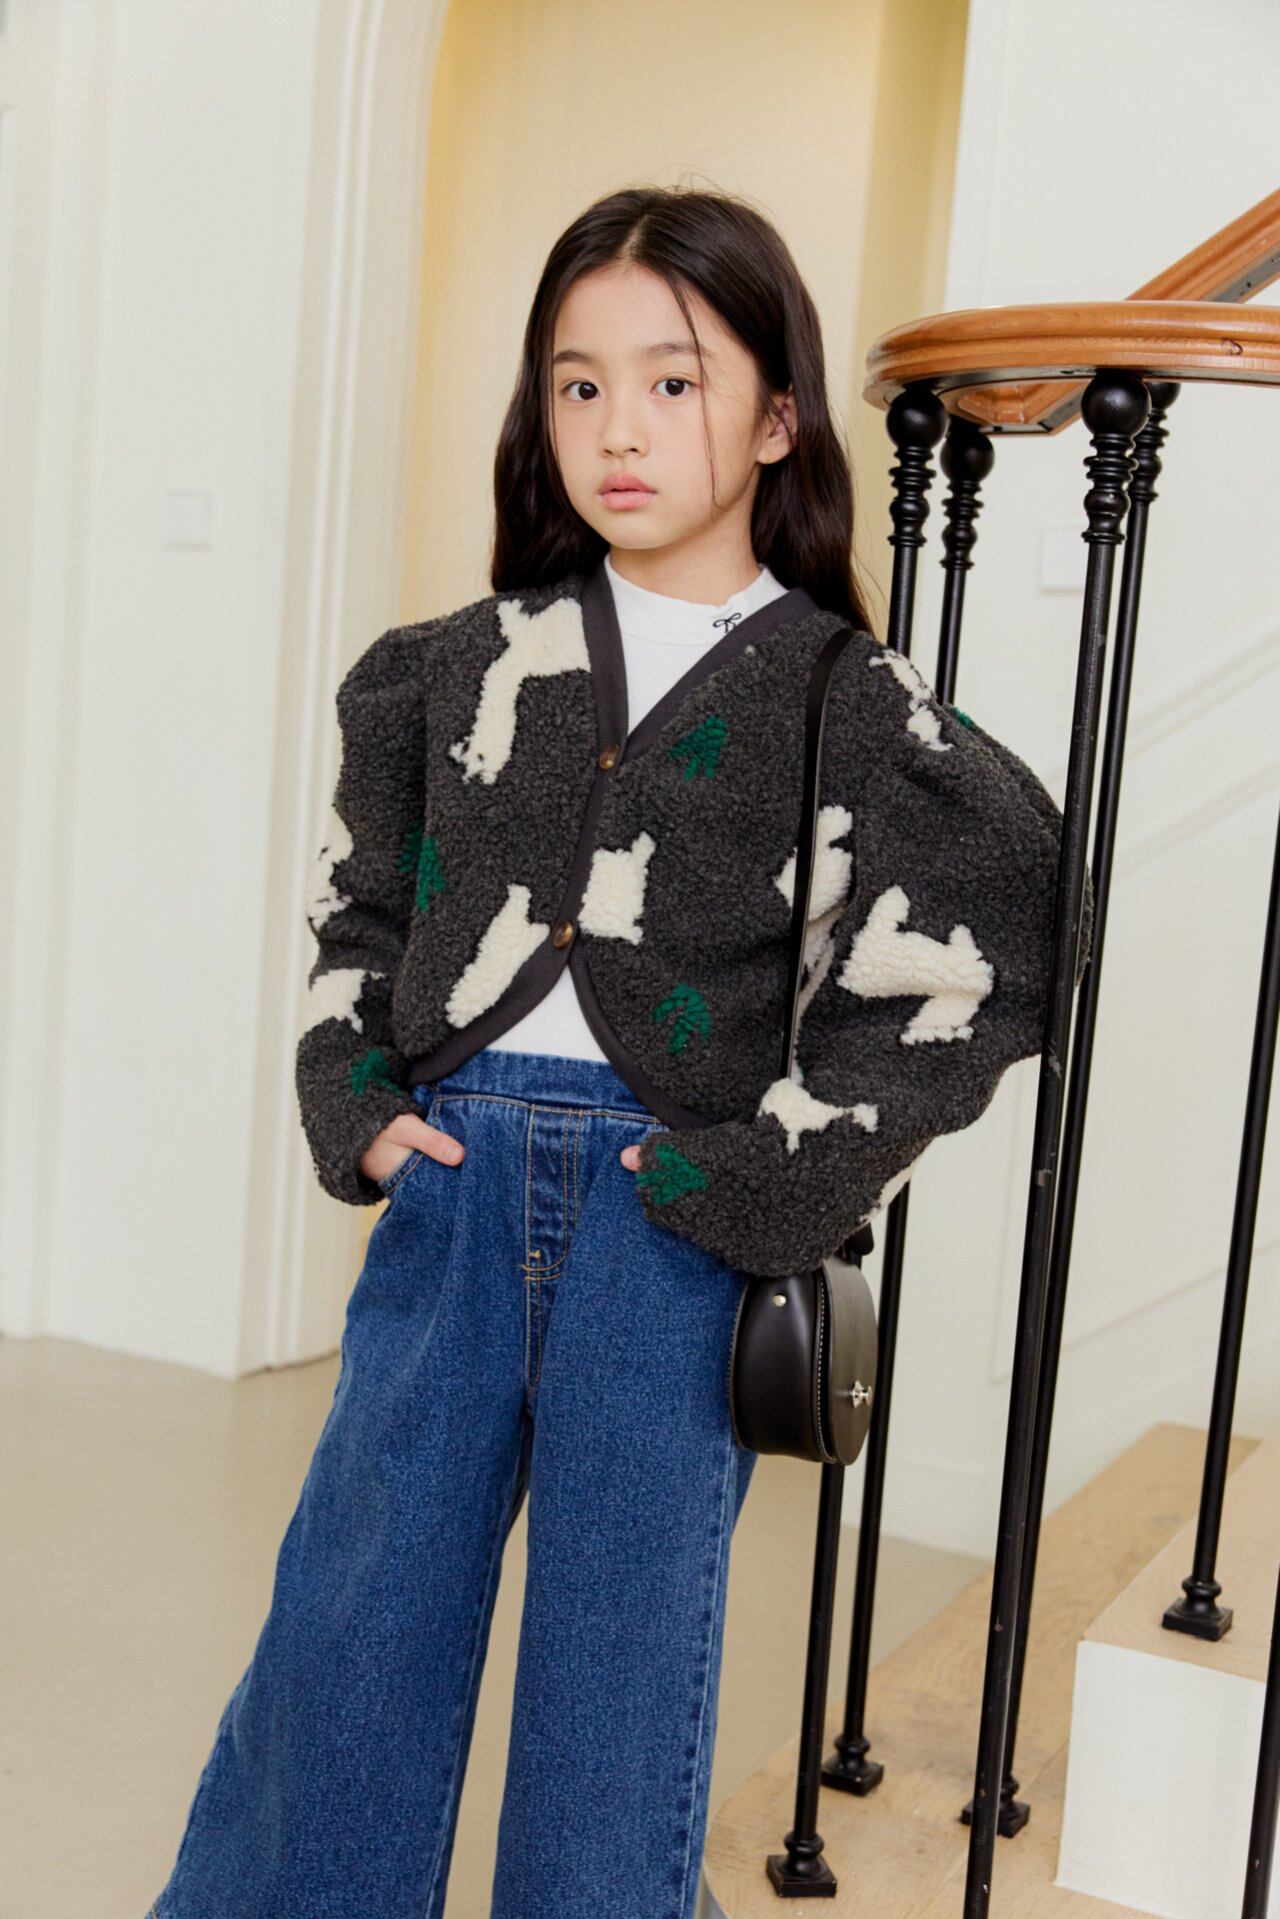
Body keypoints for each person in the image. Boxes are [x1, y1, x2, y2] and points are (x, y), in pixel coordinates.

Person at [146, 185, 1090, 1919]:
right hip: (455, 1179)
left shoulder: (839, 694)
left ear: (778, 418)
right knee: (350, 1637)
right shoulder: (449, 669)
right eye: (578, 386)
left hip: (675, 1226)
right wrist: (356, 1106)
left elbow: (986, 942)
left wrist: (774, 1174)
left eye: (672, 381)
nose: (619, 429)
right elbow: (359, 915)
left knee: (618, 1687)